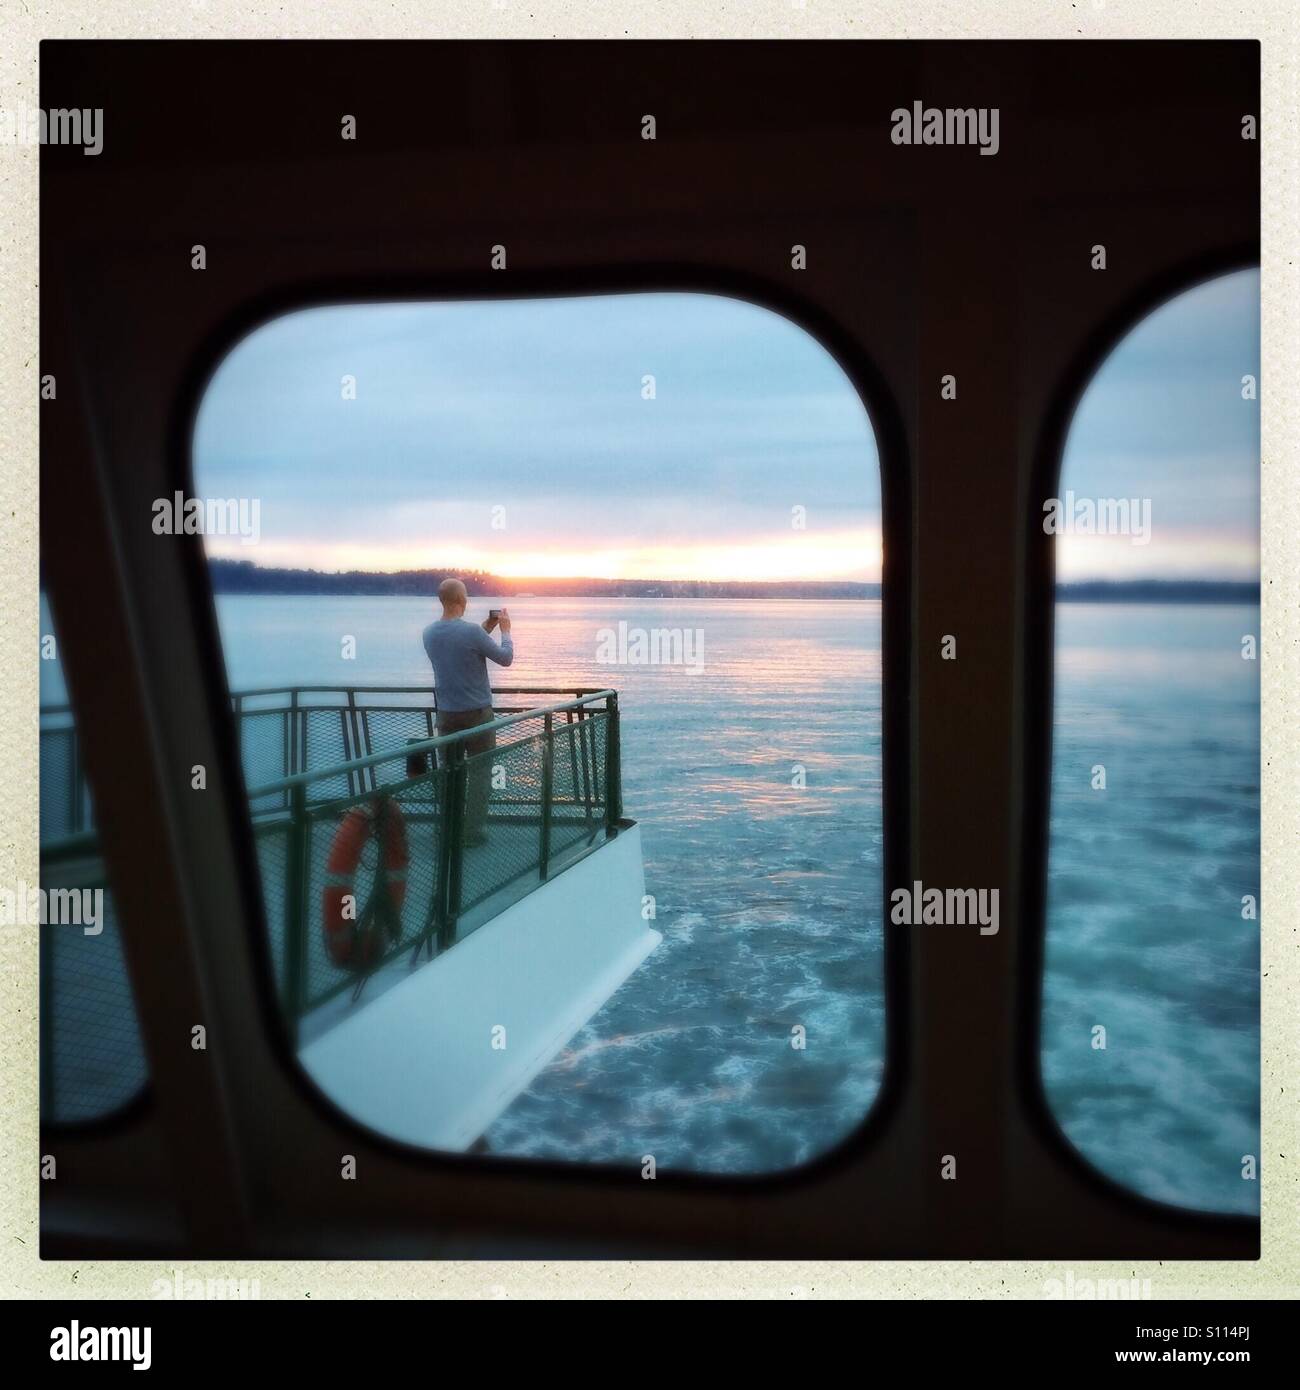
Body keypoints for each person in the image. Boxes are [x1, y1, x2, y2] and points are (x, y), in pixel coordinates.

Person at [421, 578, 514, 844]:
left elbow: (461, 647)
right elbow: (505, 658)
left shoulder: (429, 633)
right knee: (480, 775)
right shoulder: (472, 632)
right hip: (477, 716)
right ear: (463, 600)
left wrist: (487, 628)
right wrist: (505, 630)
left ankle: (448, 827)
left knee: (449, 773)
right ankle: (472, 832)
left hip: (447, 715)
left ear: (442, 600)